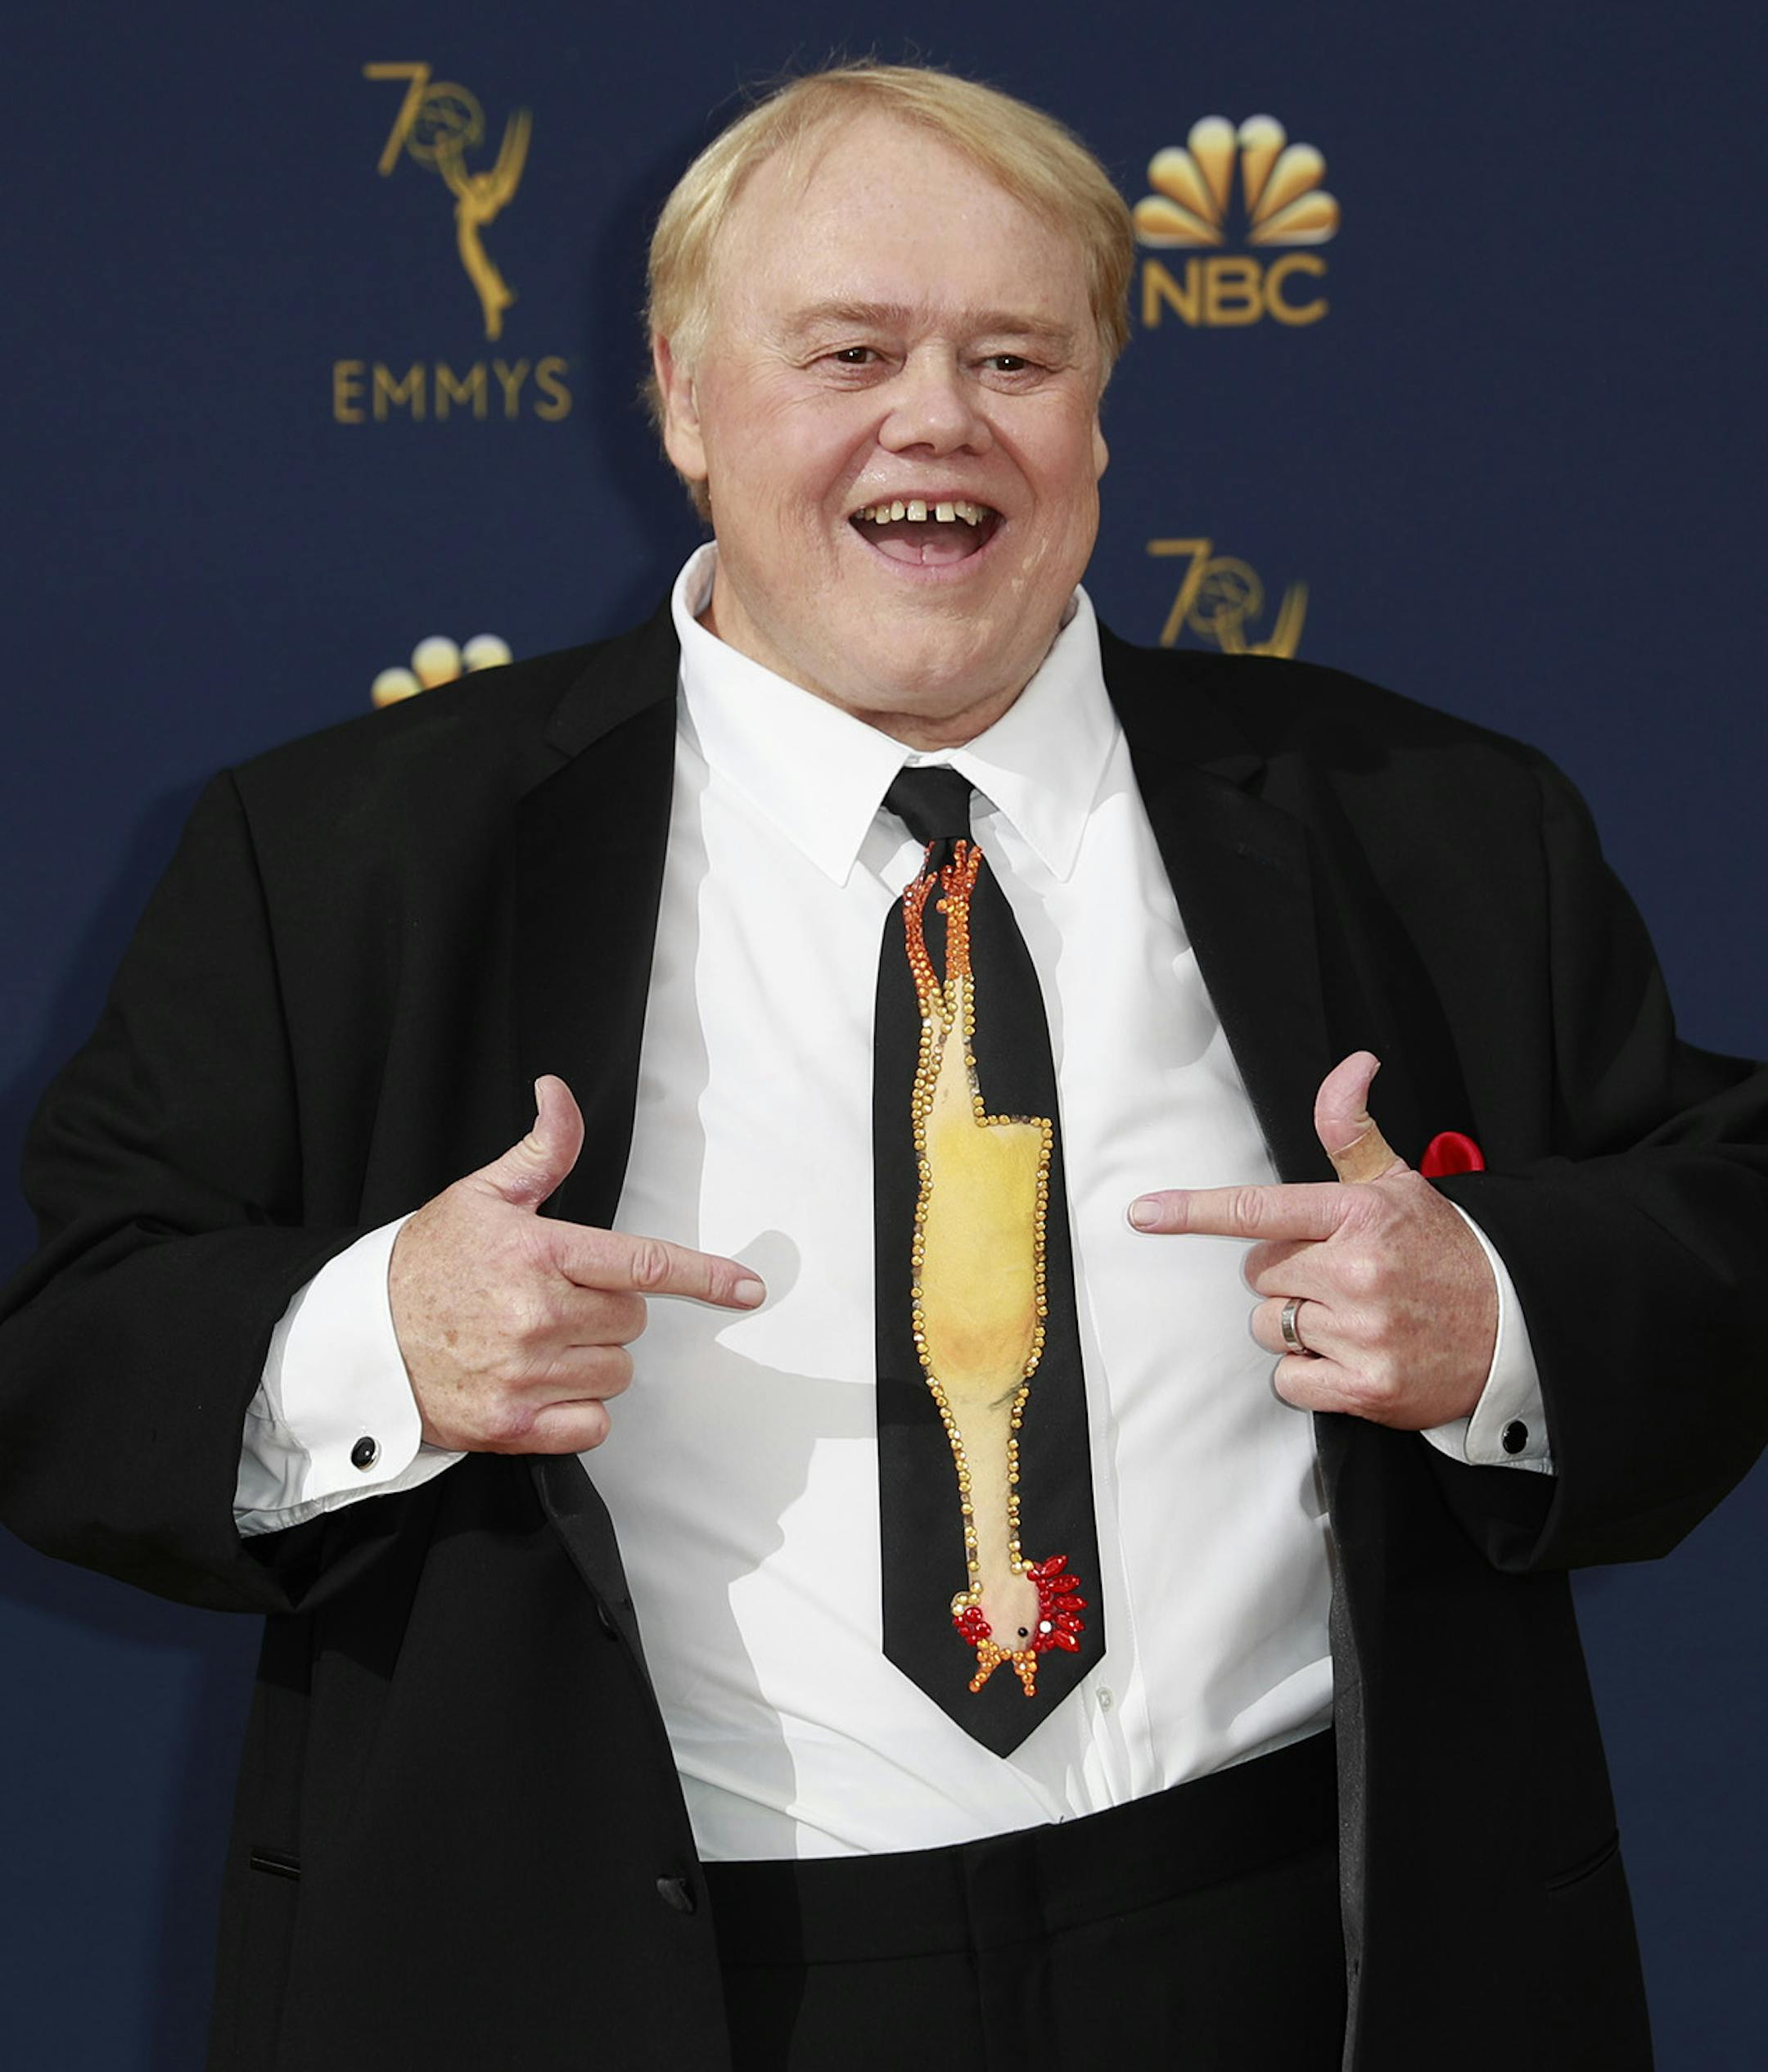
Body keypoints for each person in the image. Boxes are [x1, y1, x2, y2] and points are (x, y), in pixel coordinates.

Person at [2, 61, 1764, 2072]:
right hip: (625, 1988)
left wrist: (1502, 1310)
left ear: (1102, 408)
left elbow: (1723, 1227)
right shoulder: (336, 857)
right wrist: (376, 1337)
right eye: (848, 349)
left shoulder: (1439, 817)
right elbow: (68, 1366)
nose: (937, 418)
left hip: (1310, 1955)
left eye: (1016, 354)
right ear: (678, 397)